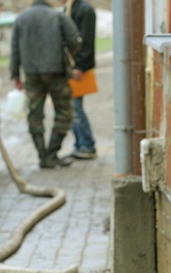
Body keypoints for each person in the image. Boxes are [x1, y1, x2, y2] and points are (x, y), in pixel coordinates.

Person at [10, 0, 81, 168]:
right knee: (64, 112)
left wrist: (15, 75)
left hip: (32, 74)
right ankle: (52, 153)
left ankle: (42, 154)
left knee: (34, 114)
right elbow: (75, 40)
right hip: (56, 71)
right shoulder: (58, 16)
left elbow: (14, 50)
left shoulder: (21, 19)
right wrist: (68, 58)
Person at [65, 0, 97, 159]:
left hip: (77, 68)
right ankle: (80, 144)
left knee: (74, 107)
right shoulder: (69, 8)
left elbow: (86, 41)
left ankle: (87, 145)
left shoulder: (85, 10)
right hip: (71, 67)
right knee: (72, 107)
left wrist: (80, 66)